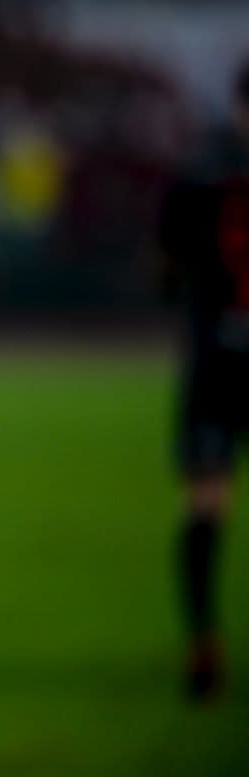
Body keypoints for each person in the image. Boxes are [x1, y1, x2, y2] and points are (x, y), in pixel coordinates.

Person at [157, 61, 249, 705]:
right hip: (217, 362)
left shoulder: (199, 176)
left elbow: (164, 270)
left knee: (207, 503)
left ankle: (202, 643)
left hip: (216, 357)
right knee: (206, 503)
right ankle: (203, 643)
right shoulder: (201, 179)